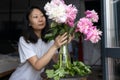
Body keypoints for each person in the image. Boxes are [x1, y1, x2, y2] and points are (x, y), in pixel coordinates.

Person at [9, 6, 72, 80]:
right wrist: (55, 46)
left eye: (42, 16)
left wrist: (63, 45)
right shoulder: (24, 40)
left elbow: (57, 60)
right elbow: (37, 66)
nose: (40, 19)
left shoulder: (49, 39)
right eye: (35, 17)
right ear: (29, 23)